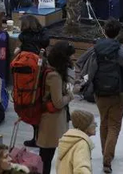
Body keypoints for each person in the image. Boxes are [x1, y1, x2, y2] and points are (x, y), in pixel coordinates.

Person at [87, 19, 123, 174]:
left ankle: (104, 152)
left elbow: (91, 71)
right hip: (119, 93)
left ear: (104, 31)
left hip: (100, 93)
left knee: (104, 123)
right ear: (118, 33)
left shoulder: (96, 49)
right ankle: (107, 159)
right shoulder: (122, 51)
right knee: (114, 126)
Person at [37, 41, 76, 174]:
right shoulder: (54, 76)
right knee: (46, 157)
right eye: (70, 56)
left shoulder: (54, 72)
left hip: (52, 120)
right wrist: (71, 95)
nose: (72, 58)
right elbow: (58, 102)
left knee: (47, 156)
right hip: (51, 121)